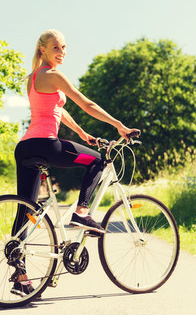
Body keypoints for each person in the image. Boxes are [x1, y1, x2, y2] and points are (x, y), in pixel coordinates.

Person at [10, 29, 139, 296]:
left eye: (64, 47)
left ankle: (20, 274)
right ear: (42, 49)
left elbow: (57, 109)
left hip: (25, 148)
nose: (62, 52)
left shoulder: (34, 78)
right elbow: (86, 103)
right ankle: (82, 213)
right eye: (56, 47)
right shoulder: (54, 75)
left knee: (26, 210)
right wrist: (119, 126)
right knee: (98, 162)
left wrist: (82, 134)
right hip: (47, 144)